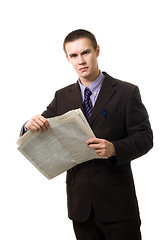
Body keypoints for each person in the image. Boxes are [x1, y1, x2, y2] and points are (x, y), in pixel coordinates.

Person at [21, 29, 153, 240]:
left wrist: (115, 149)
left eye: (85, 52)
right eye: (74, 55)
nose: (80, 61)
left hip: (118, 206)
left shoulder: (126, 92)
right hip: (81, 207)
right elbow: (39, 128)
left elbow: (145, 137)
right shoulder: (62, 96)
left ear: (97, 51)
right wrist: (29, 126)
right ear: (67, 58)